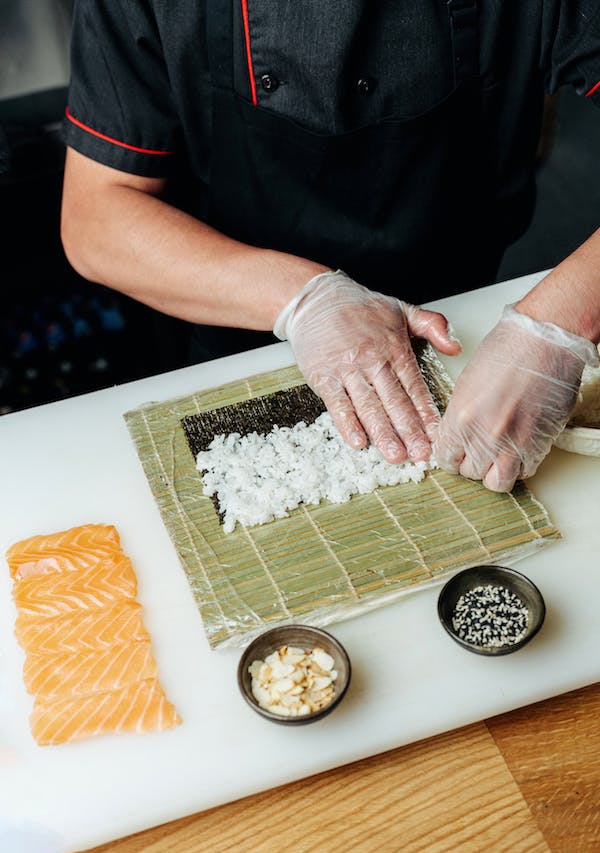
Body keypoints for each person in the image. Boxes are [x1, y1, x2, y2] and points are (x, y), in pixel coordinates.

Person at [60, 1, 600, 492]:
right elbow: (96, 218)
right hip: (244, 335)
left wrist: (555, 328)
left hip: (474, 336)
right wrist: (305, 301)